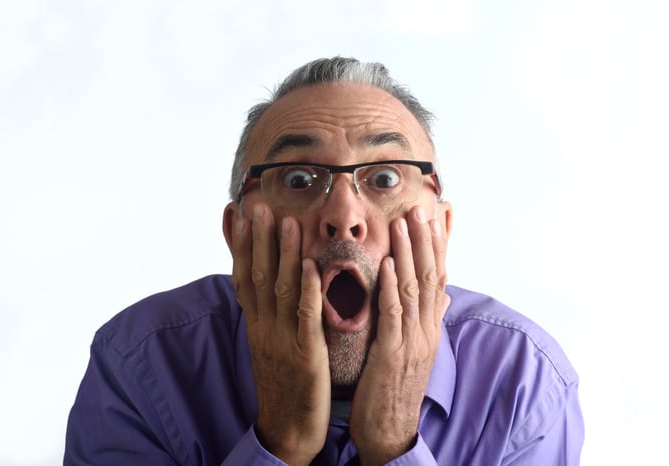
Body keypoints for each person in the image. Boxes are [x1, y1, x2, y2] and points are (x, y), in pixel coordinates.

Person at [64, 57, 584, 466]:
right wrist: (282, 441)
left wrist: (395, 445)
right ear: (236, 233)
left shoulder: (524, 383)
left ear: (440, 231)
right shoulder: (141, 365)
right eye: (297, 180)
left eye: (384, 179)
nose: (343, 216)